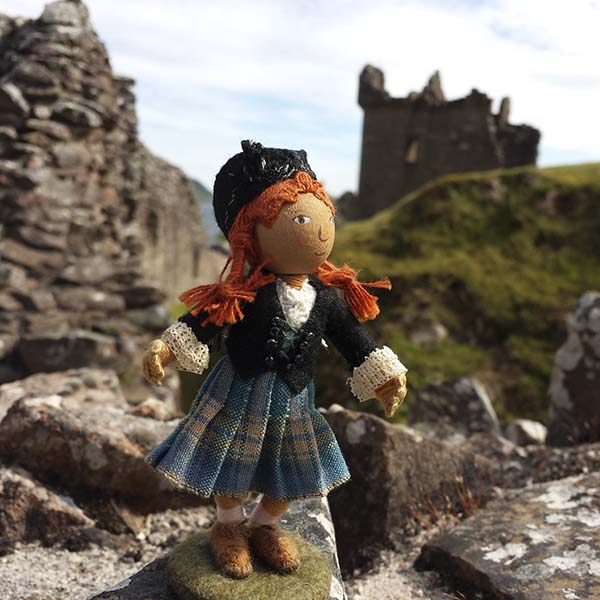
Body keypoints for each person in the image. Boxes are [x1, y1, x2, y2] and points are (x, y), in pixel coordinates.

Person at [142, 140, 407, 579]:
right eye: (301, 220)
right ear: (251, 232)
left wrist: (384, 375)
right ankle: (229, 525)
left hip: (294, 400)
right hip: (239, 390)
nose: (320, 231)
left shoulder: (327, 298)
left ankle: (263, 525)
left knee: (292, 471)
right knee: (230, 463)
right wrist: (167, 348)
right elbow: (205, 320)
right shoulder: (247, 292)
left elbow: (353, 339)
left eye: (325, 218)